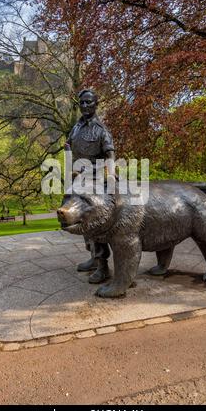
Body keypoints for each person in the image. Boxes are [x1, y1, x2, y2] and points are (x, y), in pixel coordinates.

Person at [65, 89, 115, 284]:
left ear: (96, 104)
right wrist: (68, 149)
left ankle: (103, 268)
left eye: (88, 103)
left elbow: (110, 154)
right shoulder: (76, 127)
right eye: (82, 103)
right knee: (83, 224)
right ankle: (94, 258)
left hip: (95, 183)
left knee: (94, 225)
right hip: (78, 179)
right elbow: (69, 143)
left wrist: (111, 175)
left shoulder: (101, 130)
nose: (84, 106)